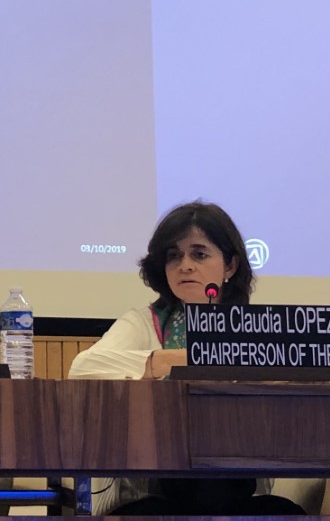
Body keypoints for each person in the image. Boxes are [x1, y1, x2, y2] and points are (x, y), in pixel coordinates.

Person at [69, 201, 302, 515]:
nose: (185, 265)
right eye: (173, 255)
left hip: (239, 488)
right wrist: (160, 362)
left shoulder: (255, 328)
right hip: (155, 491)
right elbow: (81, 370)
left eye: (199, 254)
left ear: (230, 266)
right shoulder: (144, 322)